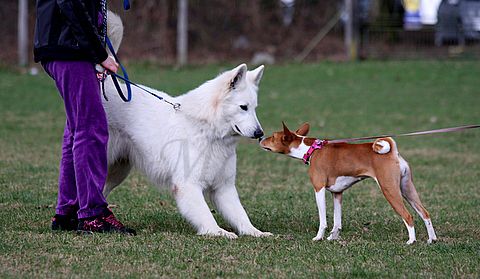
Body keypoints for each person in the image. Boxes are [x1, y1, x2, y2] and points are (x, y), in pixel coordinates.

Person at [34, 0, 135, 235]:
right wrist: (100, 54)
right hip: (69, 49)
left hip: (67, 46)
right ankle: (93, 215)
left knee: (77, 129)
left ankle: (68, 211)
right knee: (91, 129)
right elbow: (71, 4)